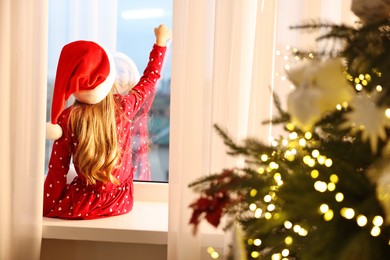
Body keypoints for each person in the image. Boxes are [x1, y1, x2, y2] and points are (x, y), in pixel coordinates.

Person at [43, 24, 172, 219]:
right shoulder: (124, 105)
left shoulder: (68, 118)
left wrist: (46, 206)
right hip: (121, 201)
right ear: (108, 77)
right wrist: (160, 44)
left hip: (83, 202)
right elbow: (150, 78)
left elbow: (57, 170)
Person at [113, 52, 153, 181]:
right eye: (112, 70)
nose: (116, 75)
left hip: (138, 173)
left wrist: (162, 44)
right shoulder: (102, 106)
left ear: (132, 76)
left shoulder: (139, 103)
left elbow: (152, 78)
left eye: (121, 71)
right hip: (113, 176)